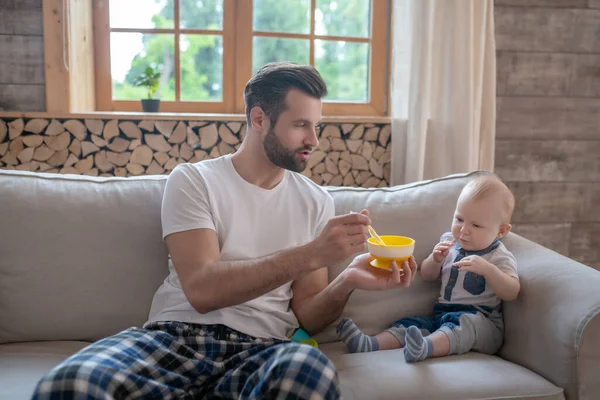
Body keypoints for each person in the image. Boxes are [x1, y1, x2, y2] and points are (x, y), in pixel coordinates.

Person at [32, 62, 418, 399]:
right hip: (175, 339)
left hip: (264, 349)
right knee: (72, 383)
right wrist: (312, 253)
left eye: (317, 126)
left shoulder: (315, 201)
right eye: (301, 125)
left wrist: (348, 279)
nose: (313, 141)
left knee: (309, 370)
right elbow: (202, 289)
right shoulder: (193, 181)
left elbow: (309, 317)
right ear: (259, 119)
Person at [336, 174, 520, 363]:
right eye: (459, 219)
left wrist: (488, 270)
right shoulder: (448, 242)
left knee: (464, 325)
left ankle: (425, 348)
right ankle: (369, 344)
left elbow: (511, 292)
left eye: (476, 225)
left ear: (501, 231)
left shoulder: (498, 256)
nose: (464, 230)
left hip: (482, 322)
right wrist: (435, 259)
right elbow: (428, 275)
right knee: (412, 324)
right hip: (442, 315)